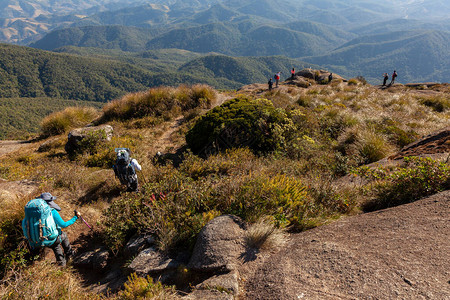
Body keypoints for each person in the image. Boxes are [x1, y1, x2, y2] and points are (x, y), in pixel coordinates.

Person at [22, 193, 80, 267]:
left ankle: (32, 263)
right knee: (62, 237)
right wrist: (75, 217)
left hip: (35, 241)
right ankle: (68, 256)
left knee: (52, 242)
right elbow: (63, 225)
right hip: (50, 240)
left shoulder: (31, 213)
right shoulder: (52, 211)